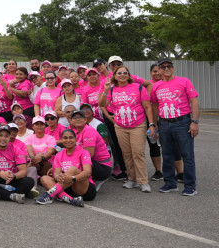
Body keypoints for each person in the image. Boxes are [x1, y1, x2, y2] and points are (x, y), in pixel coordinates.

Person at [99, 65, 154, 193]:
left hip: (138, 125)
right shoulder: (112, 90)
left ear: (128, 75)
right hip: (120, 126)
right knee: (127, 153)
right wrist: (106, 90)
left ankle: (143, 181)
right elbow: (102, 104)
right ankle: (132, 179)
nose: (122, 75)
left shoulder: (139, 87)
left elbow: (148, 107)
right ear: (115, 76)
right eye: (119, 73)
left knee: (138, 153)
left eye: (125, 73)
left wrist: (151, 124)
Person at [149, 58, 200, 196]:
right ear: (158, 70)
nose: (166, 69)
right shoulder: (156, 86)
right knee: (167, 155)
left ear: (173, 68)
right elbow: (155, 105)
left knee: (187, 155)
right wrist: (153, 124)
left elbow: (194, 101)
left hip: (183, 123)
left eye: (169, 66)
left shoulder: (184, 81)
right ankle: (170, 183)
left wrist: (194, 121)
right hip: (164, 123)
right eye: (163, 67)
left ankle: (190, 185)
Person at [35, 129, 95, 207]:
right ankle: (71, 200)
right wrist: (58, 176)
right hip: (66, 186)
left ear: (75, 139)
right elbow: (57, 172)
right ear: (62, 140)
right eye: (65, 138)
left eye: (71, 137)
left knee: (72, 169)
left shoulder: (83, 152)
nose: (68, 140)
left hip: (83, 189)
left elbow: (88, 172)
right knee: (44, 178)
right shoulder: (59, 155)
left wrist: (73, 178)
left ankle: (49, 194)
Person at [69, 109, 112, 189]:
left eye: (81, 117)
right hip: (94, 164)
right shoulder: (76, 132)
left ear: (85, 120)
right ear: (71, 121)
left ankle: (94, 181)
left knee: (72, 163)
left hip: (102, 167)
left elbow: (89, 155)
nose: (78, 119)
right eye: (75, 118)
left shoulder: (88, 130)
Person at [25, 116, 56, 180]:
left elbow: (50, 152)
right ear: (33, 126)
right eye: (36, 124)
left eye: (41, 124)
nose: (39, 126)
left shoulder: (51, 138)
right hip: (33, 161)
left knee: (45, 163)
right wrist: (33, 157)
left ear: (45, 126)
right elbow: (29, 149)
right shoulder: (29, 138)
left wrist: (41, 158)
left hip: (46, 162)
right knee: (31, 164)